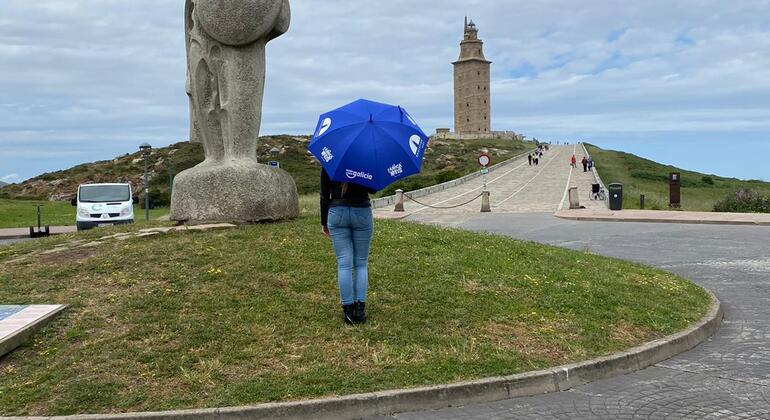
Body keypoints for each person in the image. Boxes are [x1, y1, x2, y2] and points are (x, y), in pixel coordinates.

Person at [320, 169, 376, 325]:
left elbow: (324, 194)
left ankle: (348, 312)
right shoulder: (366, 159)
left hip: (336, 212)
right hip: (362, 212)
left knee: (343, 264)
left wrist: (324, 222)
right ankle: (360, 311)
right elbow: (373, 189)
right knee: (361, 264)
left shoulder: (331, 159)